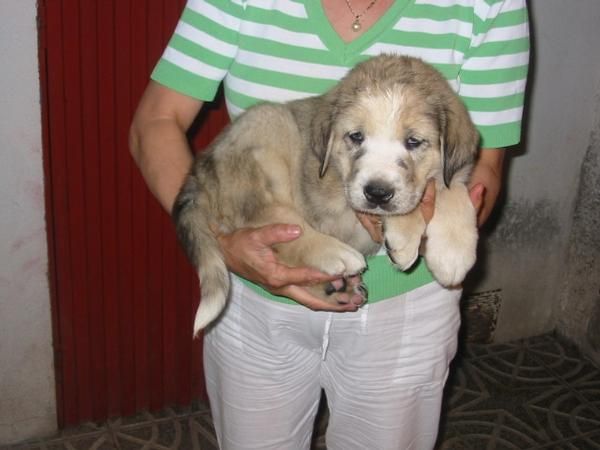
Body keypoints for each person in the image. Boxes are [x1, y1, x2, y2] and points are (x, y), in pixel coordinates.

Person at [130, 1, 529, 448]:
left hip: (405, 308)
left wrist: (428, 216)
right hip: (259, 292)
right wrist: (221, 244)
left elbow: (484, 165)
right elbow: (156, 122)